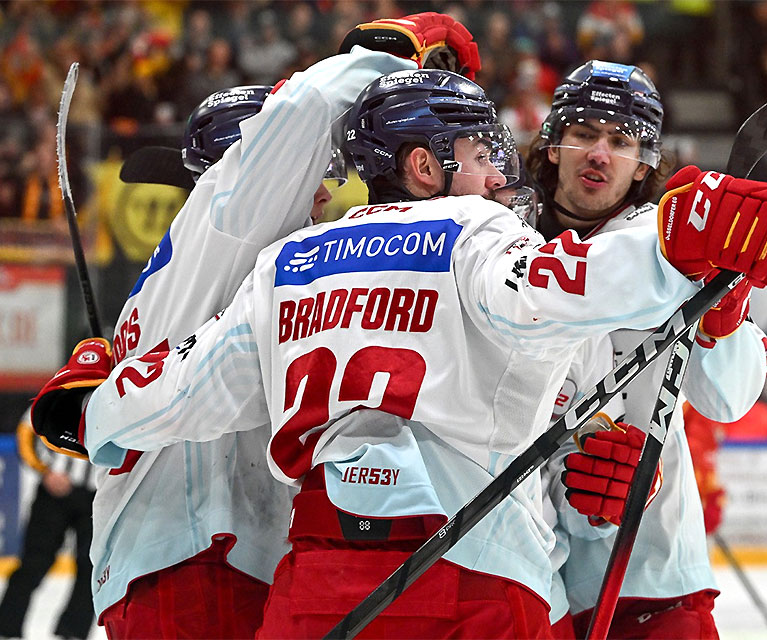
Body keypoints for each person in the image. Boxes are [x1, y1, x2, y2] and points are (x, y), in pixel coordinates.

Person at [34, 66, 767, 638]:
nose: (498, 170)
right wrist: (681, 236)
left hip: (321, 576)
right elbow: (564, 286)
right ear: (425, 165)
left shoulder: (287, 262)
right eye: (480, 152)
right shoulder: (481, 232)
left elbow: (187, 383)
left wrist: (97, 406)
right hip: (477, 569)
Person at [39, 13, 479, 638]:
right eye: (316, 171)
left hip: (184, 561)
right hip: (204, 562)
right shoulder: (230, 224)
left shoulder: (204, 267)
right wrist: (392, 57)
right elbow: (303, 110)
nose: (325, 191)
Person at [525, 60, 767, 638]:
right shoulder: (504, 247)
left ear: (643, 164)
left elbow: (727, 399)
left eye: (621, 141)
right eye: (584, 133)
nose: (600, 153)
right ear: (554, 143)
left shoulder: (674, 251)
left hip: (651, 573)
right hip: (532, 578)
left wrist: (723, 318)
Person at [0, 406, 95, 640]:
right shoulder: (64, 389)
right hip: (53, 495)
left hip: (98, 498)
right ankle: (5, 631)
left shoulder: (123, 391)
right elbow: (27, 429)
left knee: (92, 567)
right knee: (33, 562)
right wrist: (45, 470)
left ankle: (72, 633)